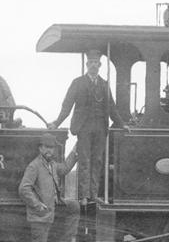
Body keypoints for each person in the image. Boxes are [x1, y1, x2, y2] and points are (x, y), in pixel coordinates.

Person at [51, 50, 126, 205]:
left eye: (96, 63)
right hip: (84, 127)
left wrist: (122, 124)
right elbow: (67, 105)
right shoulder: (77, 83)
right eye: (90, 62)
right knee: (84, 160)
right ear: (87, 65)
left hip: (100, 127)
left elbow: (111, 107)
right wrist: (56, 122)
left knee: (97, 160)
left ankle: (93, 194)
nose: (93, 65)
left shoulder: (105, 84)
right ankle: (84, 195)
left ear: (99, 65)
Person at [18, 134, 79, 242]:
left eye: (51, 147)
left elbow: (64, 168)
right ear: (40, 148)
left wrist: (75, 152)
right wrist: (37, 205)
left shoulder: (51, 165)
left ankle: (67, 238)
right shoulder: (34, 166)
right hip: (40, 215)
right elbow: (24, 188)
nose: (48, 150)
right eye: (45, 147)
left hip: (51, 209)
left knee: (74, 206)